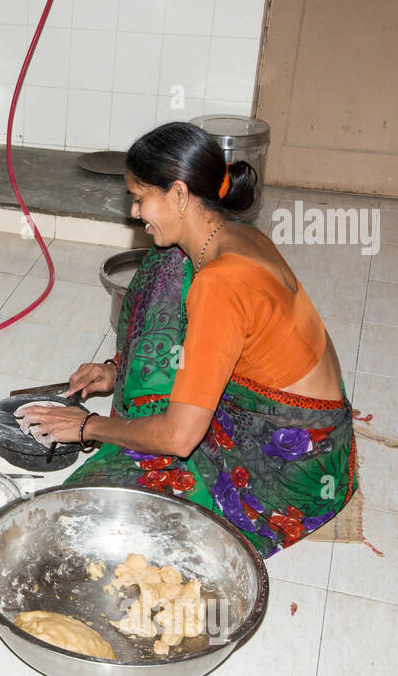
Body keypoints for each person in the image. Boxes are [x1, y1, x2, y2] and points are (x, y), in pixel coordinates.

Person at [18, 123, 356, 558]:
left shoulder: (220, 284)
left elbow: (180, 440)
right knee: (168, 265)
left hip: (290, 459)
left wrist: (88, 426)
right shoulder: (235, 236)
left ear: (179, 194)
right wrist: (118, 369)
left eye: (140, 199)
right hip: (308, 419)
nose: (135, 213)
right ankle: (140, 397)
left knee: (90, 513)